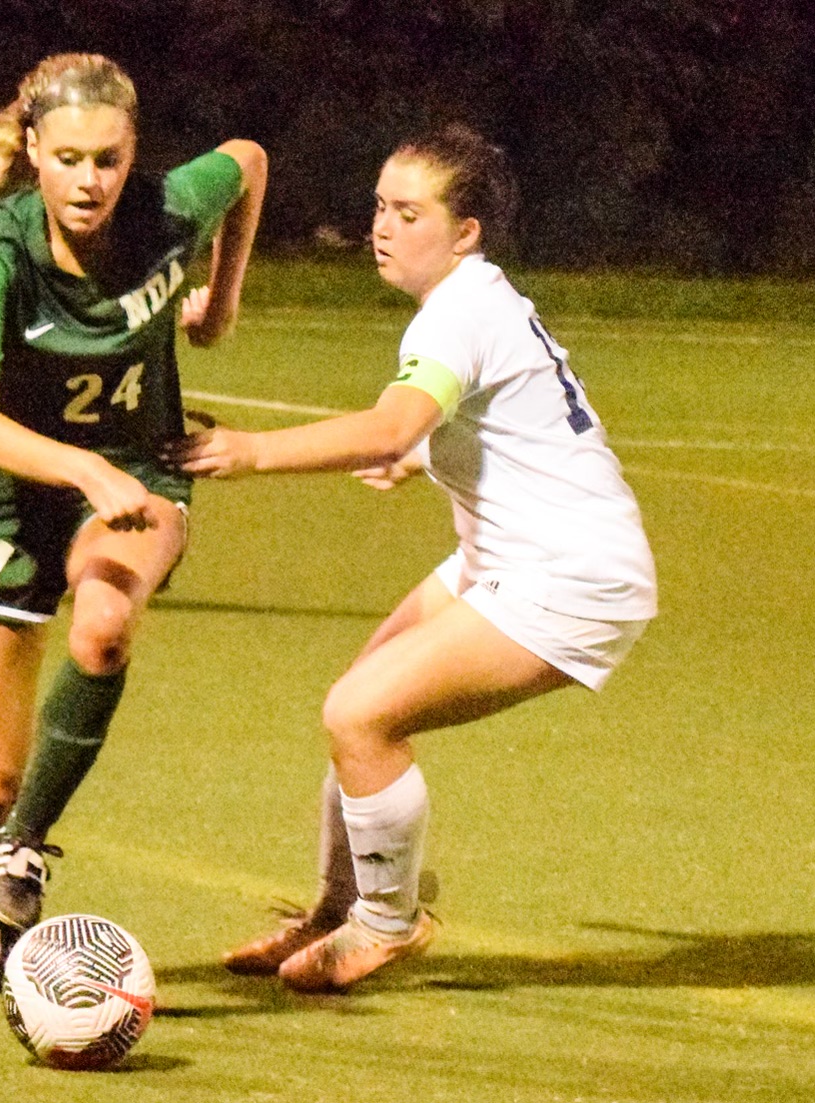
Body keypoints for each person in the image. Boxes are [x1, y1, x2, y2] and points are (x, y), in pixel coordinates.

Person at [168, 124, 658, 992]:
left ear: (465, 231)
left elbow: (393, 419)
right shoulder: (477, 298)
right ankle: (336, 909)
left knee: (361, 714)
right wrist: (423, 455)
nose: (381, 228)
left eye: (408, 212)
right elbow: (507, 421)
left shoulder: (462, 309)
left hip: (572, 575)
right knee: (361, 707)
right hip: (514, 555)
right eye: (378, 207)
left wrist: (251, 452)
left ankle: (387, 925)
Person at [0, 52, 267, 992]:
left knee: (104, 625)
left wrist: (221, 302)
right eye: (68, 158)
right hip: (10, 494)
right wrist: (78, 464)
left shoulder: (169, 208)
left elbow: (250, 159)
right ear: (32, 149)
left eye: (108, 159)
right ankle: (4, 923)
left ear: (133, 152)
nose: (90, 181)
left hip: (143, 474)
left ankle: (25, 849)